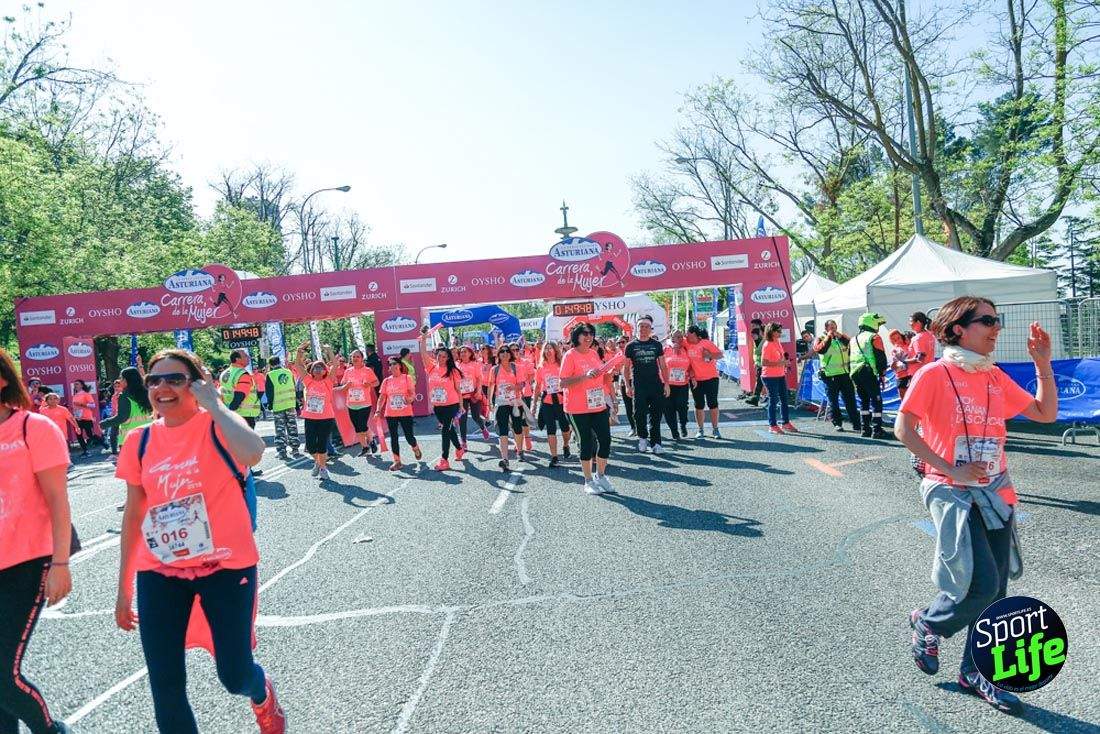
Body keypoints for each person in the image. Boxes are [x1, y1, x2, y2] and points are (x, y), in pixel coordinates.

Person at [895, 297, 1056, 716]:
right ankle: (930, 622)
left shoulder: (993, 377)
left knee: (997, 591)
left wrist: (1042, 363)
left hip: (996, 491)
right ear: (956, 328)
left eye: (997, 320)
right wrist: (952, 469)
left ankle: (976, 671)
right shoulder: (934, 373)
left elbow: (1045, 412)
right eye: (987, 320)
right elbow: (904, 429)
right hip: (950, 489)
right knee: (980, 584)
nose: (996, 327)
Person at [113, 349, 286, 733]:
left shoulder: (218, 426)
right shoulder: (138, 442)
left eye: (175, 378)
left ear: (195, 384)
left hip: (225, 567)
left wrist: (215, 403)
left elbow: (254, 453)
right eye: (154, 380)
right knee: (166, 686)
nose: (163, 387)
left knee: (234, 674)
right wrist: (124, 588)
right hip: (161, 571)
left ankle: (261, 692)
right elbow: (133, 516)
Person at [0, 348, 73, 734]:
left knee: (2, 677)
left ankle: (51, 730)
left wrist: (60, 565)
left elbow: (59, 502)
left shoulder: (34, 428)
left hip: (26, 565)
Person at [559, 323, 613, 494]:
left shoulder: (593, 353)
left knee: (605, 440)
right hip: (577, 408)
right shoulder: (570, 355)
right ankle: (588, 480)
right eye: (585, 334)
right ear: (577, 336)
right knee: (586, 443)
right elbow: (563, 382)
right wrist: (584, 376)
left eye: (591, 334)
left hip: (597, 404)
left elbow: (599, 376)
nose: (589, 337)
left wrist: (607, 373)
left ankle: (601, 476)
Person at [293, 343, 347, 481]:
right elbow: (298, 365)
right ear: (311, 371)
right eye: (315, 367)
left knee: (322, 445)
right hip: (310, 418)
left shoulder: (328, 381)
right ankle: (318, 462)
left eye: (321, 367)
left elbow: (335, 366)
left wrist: (329, 351)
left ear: (325, 371)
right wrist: (300, 351)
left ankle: (323, 468)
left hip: (326, 418)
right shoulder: (308, 381)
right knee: (311, 447)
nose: (317, 369)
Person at [624, 315, 671, 452]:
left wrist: (666, 383)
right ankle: (643, 438)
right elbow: (626, 368)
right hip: (639, 385)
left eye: (646, 326)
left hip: (655, 384)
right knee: (639, 414)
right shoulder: (631, 346)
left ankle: (656, 443)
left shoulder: (656, 345)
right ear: (636, 328)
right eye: (641, 326)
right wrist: (627, 385)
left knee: (656, 414)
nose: (643, 329)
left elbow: (663, 366)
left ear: (651, 329)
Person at [419, 333, 464, 470]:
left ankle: (444, 459)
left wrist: (461, 406)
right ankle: (459, 448)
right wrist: (424, 339)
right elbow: (423, 354)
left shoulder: (453, 371)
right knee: (449, 430)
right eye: (439, 355)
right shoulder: (432, 367)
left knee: (445, 430)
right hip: (438, 406)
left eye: (444, 356)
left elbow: (458, 390)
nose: (441, 358)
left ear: (448, 358)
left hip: (452, 405)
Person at [813, 321, 861, 433]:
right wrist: (829, 337)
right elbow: (820, 350)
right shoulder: (820, 338)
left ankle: (856, 424)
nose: (833, 330)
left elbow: (852, 344)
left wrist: (841, 336)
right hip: (830, 375)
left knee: (850, 400)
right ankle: (837, 423)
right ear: (826, 328)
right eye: (831, 328)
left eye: (834, 328)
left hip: (844, 374)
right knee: (833, 401)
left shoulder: (840, 338)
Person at [221, 351, 263, 476]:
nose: (248, 357)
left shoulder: (225, 373)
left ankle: (241, 469)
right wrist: (231, 410)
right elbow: (240, 395)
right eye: (245, 356)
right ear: (237, 359)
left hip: (232, 413)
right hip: (244, 414)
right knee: (246, 444)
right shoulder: (242, 374)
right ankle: (246, 471)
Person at [849, 312, 889, 439]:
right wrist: (882, 373)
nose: (878, 326)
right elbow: (880, 356)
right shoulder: (874, 337)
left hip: (855, 372)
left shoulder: (853, 339)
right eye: (877, 323)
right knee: (876, 400)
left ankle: (865, 429)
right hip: (868, 371)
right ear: (871, 322)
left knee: (864, 400)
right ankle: (877, 429)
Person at [379, 356, 420, 470]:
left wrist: (410, 399)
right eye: (390, 364)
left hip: (405, 412)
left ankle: (415, 447)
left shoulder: (407, 378)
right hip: (391, 413)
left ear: (399, 366)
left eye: (394, 364)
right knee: (394, 437)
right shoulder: (386, 381)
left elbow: (412, 394)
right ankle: (397, 461)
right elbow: (382, 397)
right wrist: (378, 410)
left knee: (409, 437)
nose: (392, 366)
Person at [489, 345, 526, 471]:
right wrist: (489, 402)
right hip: (501, 402)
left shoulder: (516, 368)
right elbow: (491, 386)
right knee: (503, 430)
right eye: (502, 352)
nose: (504, 354)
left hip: (515, 402)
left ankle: (520, 450)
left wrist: (514, 388)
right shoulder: (494, 369)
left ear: (510, 354)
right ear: (498, 355)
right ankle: (505, 459)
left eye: (507, 351)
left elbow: (522, 384)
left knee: (517, 428)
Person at [534, 342, 571, 467]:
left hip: (561, 400)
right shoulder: (541, 367)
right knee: (551, 429)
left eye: (551, 348)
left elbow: (568, 380)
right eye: (546, 349)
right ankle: (554, 456)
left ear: (556, 350)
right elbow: (538, 386)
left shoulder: (561, 364)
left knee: (565, 428)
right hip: (547, 400)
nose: (548, 351)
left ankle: (566, 444)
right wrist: (534, 404)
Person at [100, 367, 154, 450]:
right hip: (148, 436)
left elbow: (122, 417)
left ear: (126, 380)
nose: (120, 380)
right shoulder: (147, 393)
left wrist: (103, 424)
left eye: (121, 378)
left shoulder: (124, 396)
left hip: (130, 439)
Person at [340, 350, 380, 457]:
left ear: (362, 358)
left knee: (362, 425)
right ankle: (365, 447)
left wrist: (369, 385)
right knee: (357, 427)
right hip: (351, 403)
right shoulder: (348, 371)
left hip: (365, 403)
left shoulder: (367, 370)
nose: (355, 358)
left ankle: (371, 439)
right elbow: (342, 387)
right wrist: (346, 386)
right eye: (353, 357)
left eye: (358, 356)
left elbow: (377, 382)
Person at [760, 323, 798, 435]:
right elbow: (764, 362)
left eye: (781, 331)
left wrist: (784, 363)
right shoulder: (767, 344)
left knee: (784, 399)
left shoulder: (777, 342)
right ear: (772, 331)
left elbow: (780, 358)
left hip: (780, 374)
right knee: (773, 400)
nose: (781, 333)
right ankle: (772, 425)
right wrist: (780, 363)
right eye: (779, 331)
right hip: (769, 376)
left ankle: (785, 422)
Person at [685, 325, 723, 439]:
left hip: (711, 378)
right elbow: (675, 339)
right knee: (699, 405)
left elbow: (720, 355)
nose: (687, 336)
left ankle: (715, 429)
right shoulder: (686, 343)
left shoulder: (706, 343)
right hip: (696, 380)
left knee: (713, 403)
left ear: (695, 335)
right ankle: (700, 430)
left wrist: (709, 355)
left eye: (689, 334)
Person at [264, 357, 301, 460]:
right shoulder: (289, 372)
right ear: (279, 362)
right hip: (290, 404)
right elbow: (293, 388)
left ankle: (282, 452)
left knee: (280, 430)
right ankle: (295, 450)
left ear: (270, 365)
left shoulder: (270, 375)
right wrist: (297, 405)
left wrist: (270, 405)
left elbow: (269, 393)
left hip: (278, 406)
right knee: (292, 427)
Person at [456, 346, 490, 446]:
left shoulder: (475, 364)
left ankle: (483, 428)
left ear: (470, 353)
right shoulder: (457, 365)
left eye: (465, 352)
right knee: (463, 419)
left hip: (474, 393)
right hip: (462, 396)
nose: (463, 354)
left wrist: (479, 391)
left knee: (475, 416)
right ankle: (463, 442)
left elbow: (479, 379)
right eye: (461, 352)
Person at [663, 330, 692, 440]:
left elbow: (691, 366)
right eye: (677, 337)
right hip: (668, 384)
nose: (680, 339)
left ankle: (683, 424)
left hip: (682, 384)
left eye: (681, 337)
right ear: (672, 338)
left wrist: (692, 377)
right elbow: (660, 365)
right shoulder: (665, 349)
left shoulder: (686, 349)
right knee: (668, 408)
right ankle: (674, 431)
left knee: (682, 406)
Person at [70, 380, 104, 455]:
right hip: (78, 418)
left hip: (86, 417)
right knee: (78, 434)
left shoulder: (86, 394)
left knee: (90, 435)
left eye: (77, 384)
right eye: (74, 384)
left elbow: (93, 405)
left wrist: (82, 405)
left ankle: (103, 442)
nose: (75, 386)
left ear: (82, 385)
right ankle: (85, 451)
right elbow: (76, 406)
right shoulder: (75, 395)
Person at [743, 319, 765, 406]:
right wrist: (756, 362)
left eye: (753, 326)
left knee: (761, 381)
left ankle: (757, 397)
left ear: (758, 326)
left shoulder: (764, 337)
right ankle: (756, 397)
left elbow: (758, 351)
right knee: (760, 381)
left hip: (765, 363)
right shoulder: (757, 337)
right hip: (760, 363)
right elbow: (756, 351)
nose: (751, 328)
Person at [888, 329, 914, 399]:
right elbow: (893, 367)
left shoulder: (909, 345)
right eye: (894, 340)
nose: (897, 340)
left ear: (901, 336)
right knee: (903, 399)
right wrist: (894, 362)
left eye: (898, 338)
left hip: (910, 375)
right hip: (900, 376)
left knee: (912, 397)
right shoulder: (894, 351)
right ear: (891, 341)